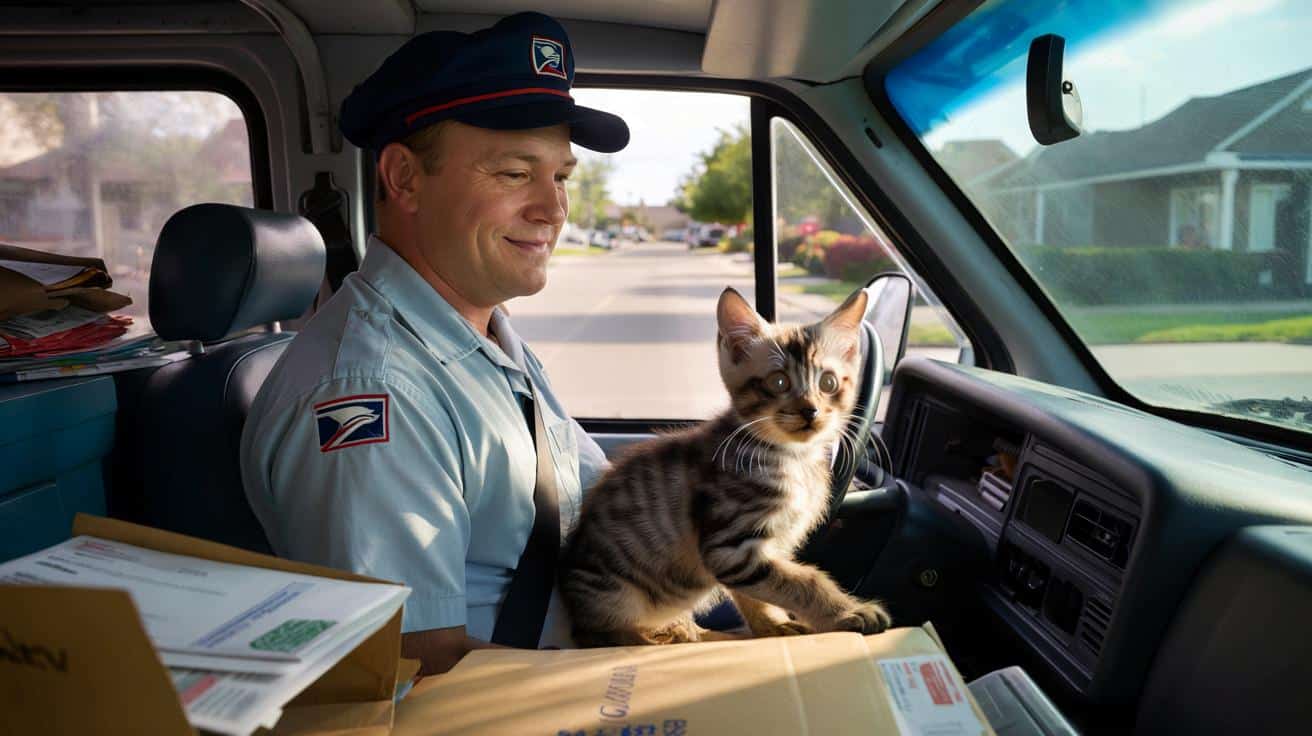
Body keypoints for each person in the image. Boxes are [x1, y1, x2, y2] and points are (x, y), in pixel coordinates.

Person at [240, 11, 629, 676]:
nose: (553, 208)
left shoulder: (483, 336)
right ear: (405, 178)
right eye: (514, 173)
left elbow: (590, 500)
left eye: (560, 176)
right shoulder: (374, 387)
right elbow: (418, 673)